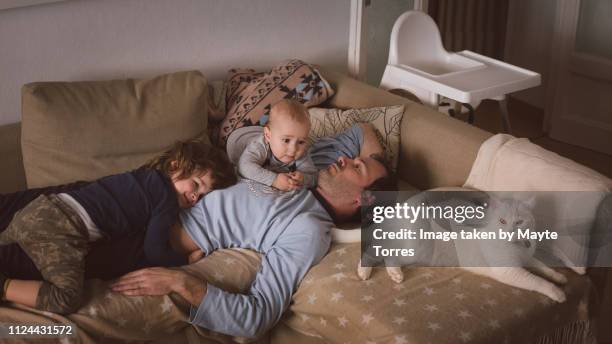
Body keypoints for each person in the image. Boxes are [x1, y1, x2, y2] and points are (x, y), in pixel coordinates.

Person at [111, 123, 395, 337]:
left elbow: (258, 316)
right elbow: (363, 129)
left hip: (144, 237)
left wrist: (182, 283)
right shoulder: (314, 164)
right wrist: (376, 162)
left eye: (357, 167)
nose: (345, 158)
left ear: (360, 200)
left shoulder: (308, 229)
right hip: (143, 194)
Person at [0, 139, 236, 314]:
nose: (195, 197)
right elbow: (154, 250)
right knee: (66, 299)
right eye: (196, 184)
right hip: (61, 230)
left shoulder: (143, 175)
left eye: (203, 195)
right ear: (175, 165)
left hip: (38, 208)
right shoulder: (166, 201)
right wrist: (185, 262)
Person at [227, 99, 317, 191]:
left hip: (269, 134)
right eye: (286, 140)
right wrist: (275, 180)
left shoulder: (301, 153)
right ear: (268, 136)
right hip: (239, 138)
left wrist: (303, 179)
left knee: (276, 131)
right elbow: (244, 167)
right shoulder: (259, 146)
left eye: (301, 142)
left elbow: (314, 177)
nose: (293, 149)